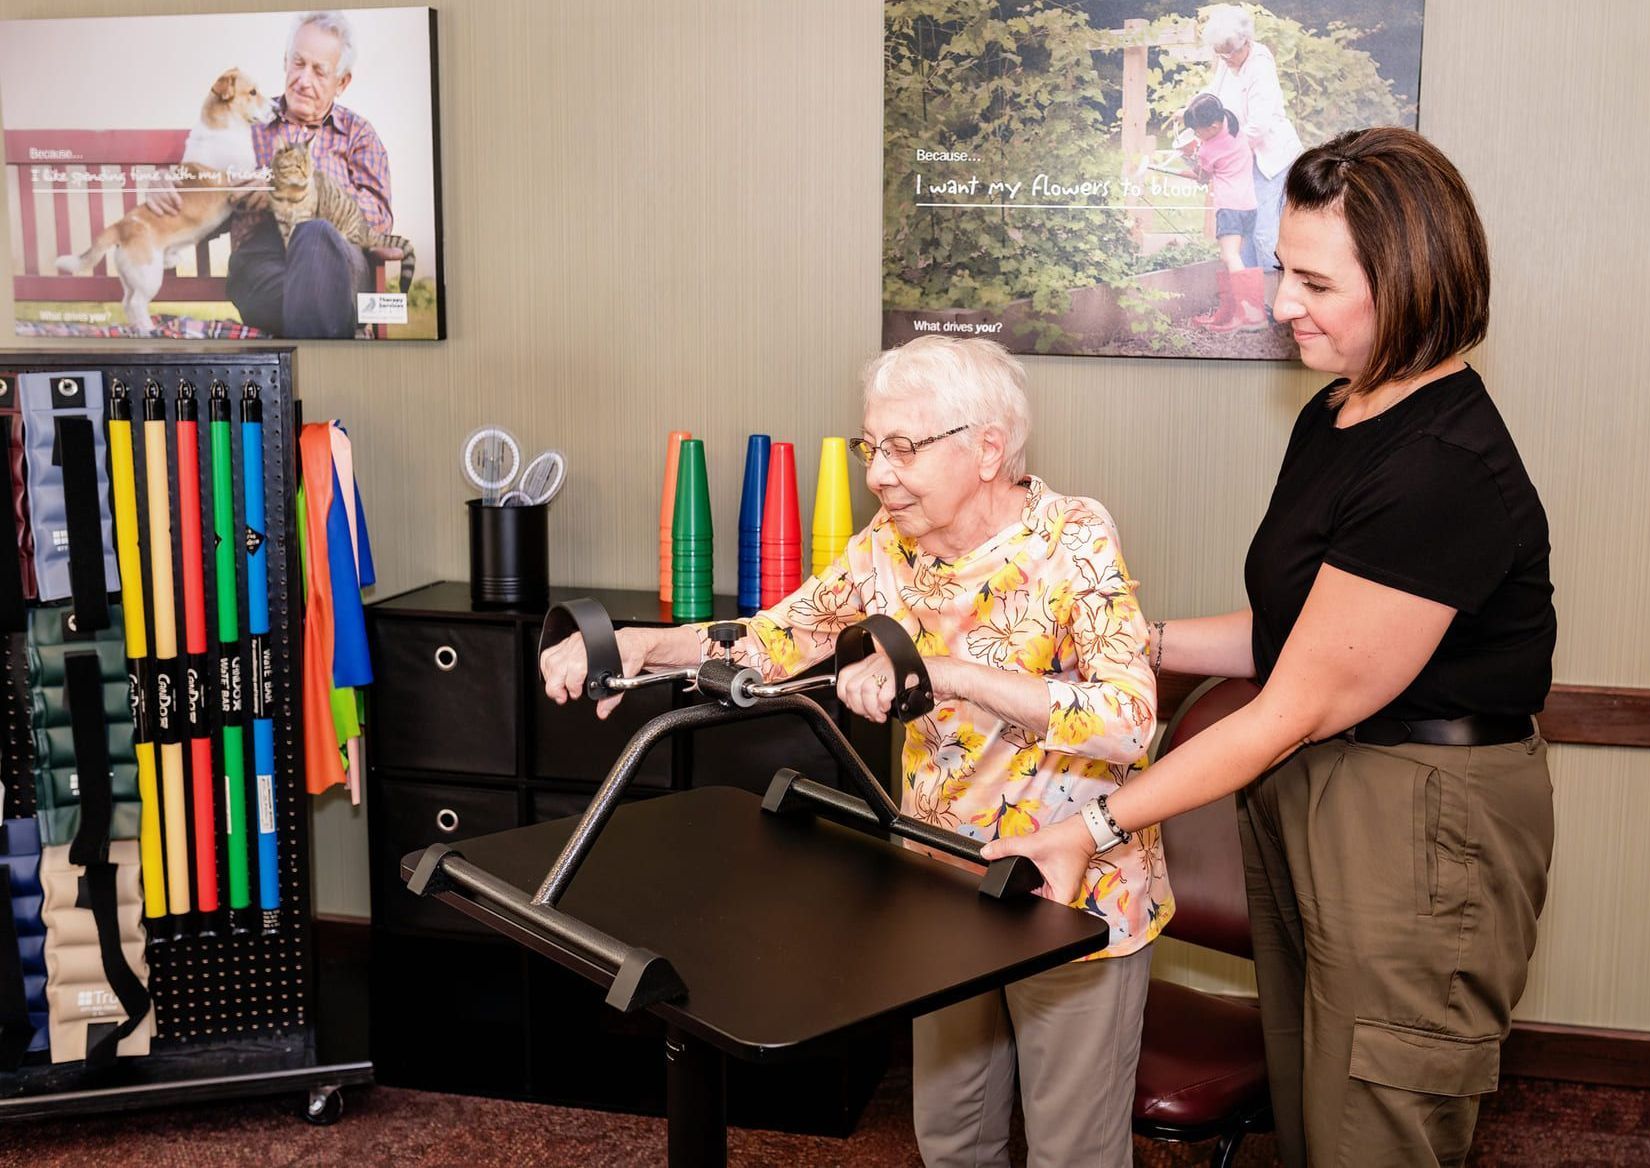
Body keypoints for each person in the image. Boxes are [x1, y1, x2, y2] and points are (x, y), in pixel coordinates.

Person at [985, 127, 1556, 1167]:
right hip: (1318, 781)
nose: (1282, 302)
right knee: (1313, 1106)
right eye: (1281, 268)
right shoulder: (1341, 413)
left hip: (1416, 813)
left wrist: (1094, 826)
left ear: (1414, 284)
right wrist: (1125, 642)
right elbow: (1300, 632)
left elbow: (1293, 701)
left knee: (1374, 1122)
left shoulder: (1440, 469)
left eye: (1313, 281)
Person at [540, 335, 1170, 1168]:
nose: (879, 472)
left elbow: (1130, 719)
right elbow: (780, 637)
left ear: (988, 448)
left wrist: (950, 673)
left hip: (1077, 888)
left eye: (905, 448)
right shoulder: (889, 546)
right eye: (875, 447)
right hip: (947, 879)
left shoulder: (1073, 538)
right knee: (951, 1137)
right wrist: (640, 647)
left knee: (1071, 1153)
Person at [156, 10, 398, 338]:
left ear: (342, 82)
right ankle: (329, 351)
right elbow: (201, 196)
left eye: (319, 70)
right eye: (298, 63)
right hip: (262, 259)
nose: (303, 79)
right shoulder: (244, 125)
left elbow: (379, 218)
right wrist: (166, 187)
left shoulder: (358, 135)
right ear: (285, 61)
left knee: (316, 238)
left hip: (338, 255)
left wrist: (298, 190)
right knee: (320, 298)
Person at [1201, 5, 1303, 279]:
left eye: (1229, 52)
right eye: (1220, 53)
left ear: (1245, 42)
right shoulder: (1227, 62)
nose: (1225, 59)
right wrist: (1191, 110)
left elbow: (1258, 126)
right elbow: (1212, 95)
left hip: (1270, 160)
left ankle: (1273, 300)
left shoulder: (1260, 65)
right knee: (1242, 232)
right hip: (1243, 159)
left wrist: (1223, 152)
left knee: (1264, 231)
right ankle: (1250, 302)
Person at [1181, 92, 1264, 332]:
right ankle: (1229, 312)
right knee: (1231, 257)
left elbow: (1202, 177)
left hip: (1229, 207)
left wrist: (1191, 163)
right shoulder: (1233, 123)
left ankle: (1251, 314)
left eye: (1198, 130)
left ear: (1213, 125)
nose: (1197, 134)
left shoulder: (1208, 150)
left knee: (1231, 257)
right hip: (1249, 205)